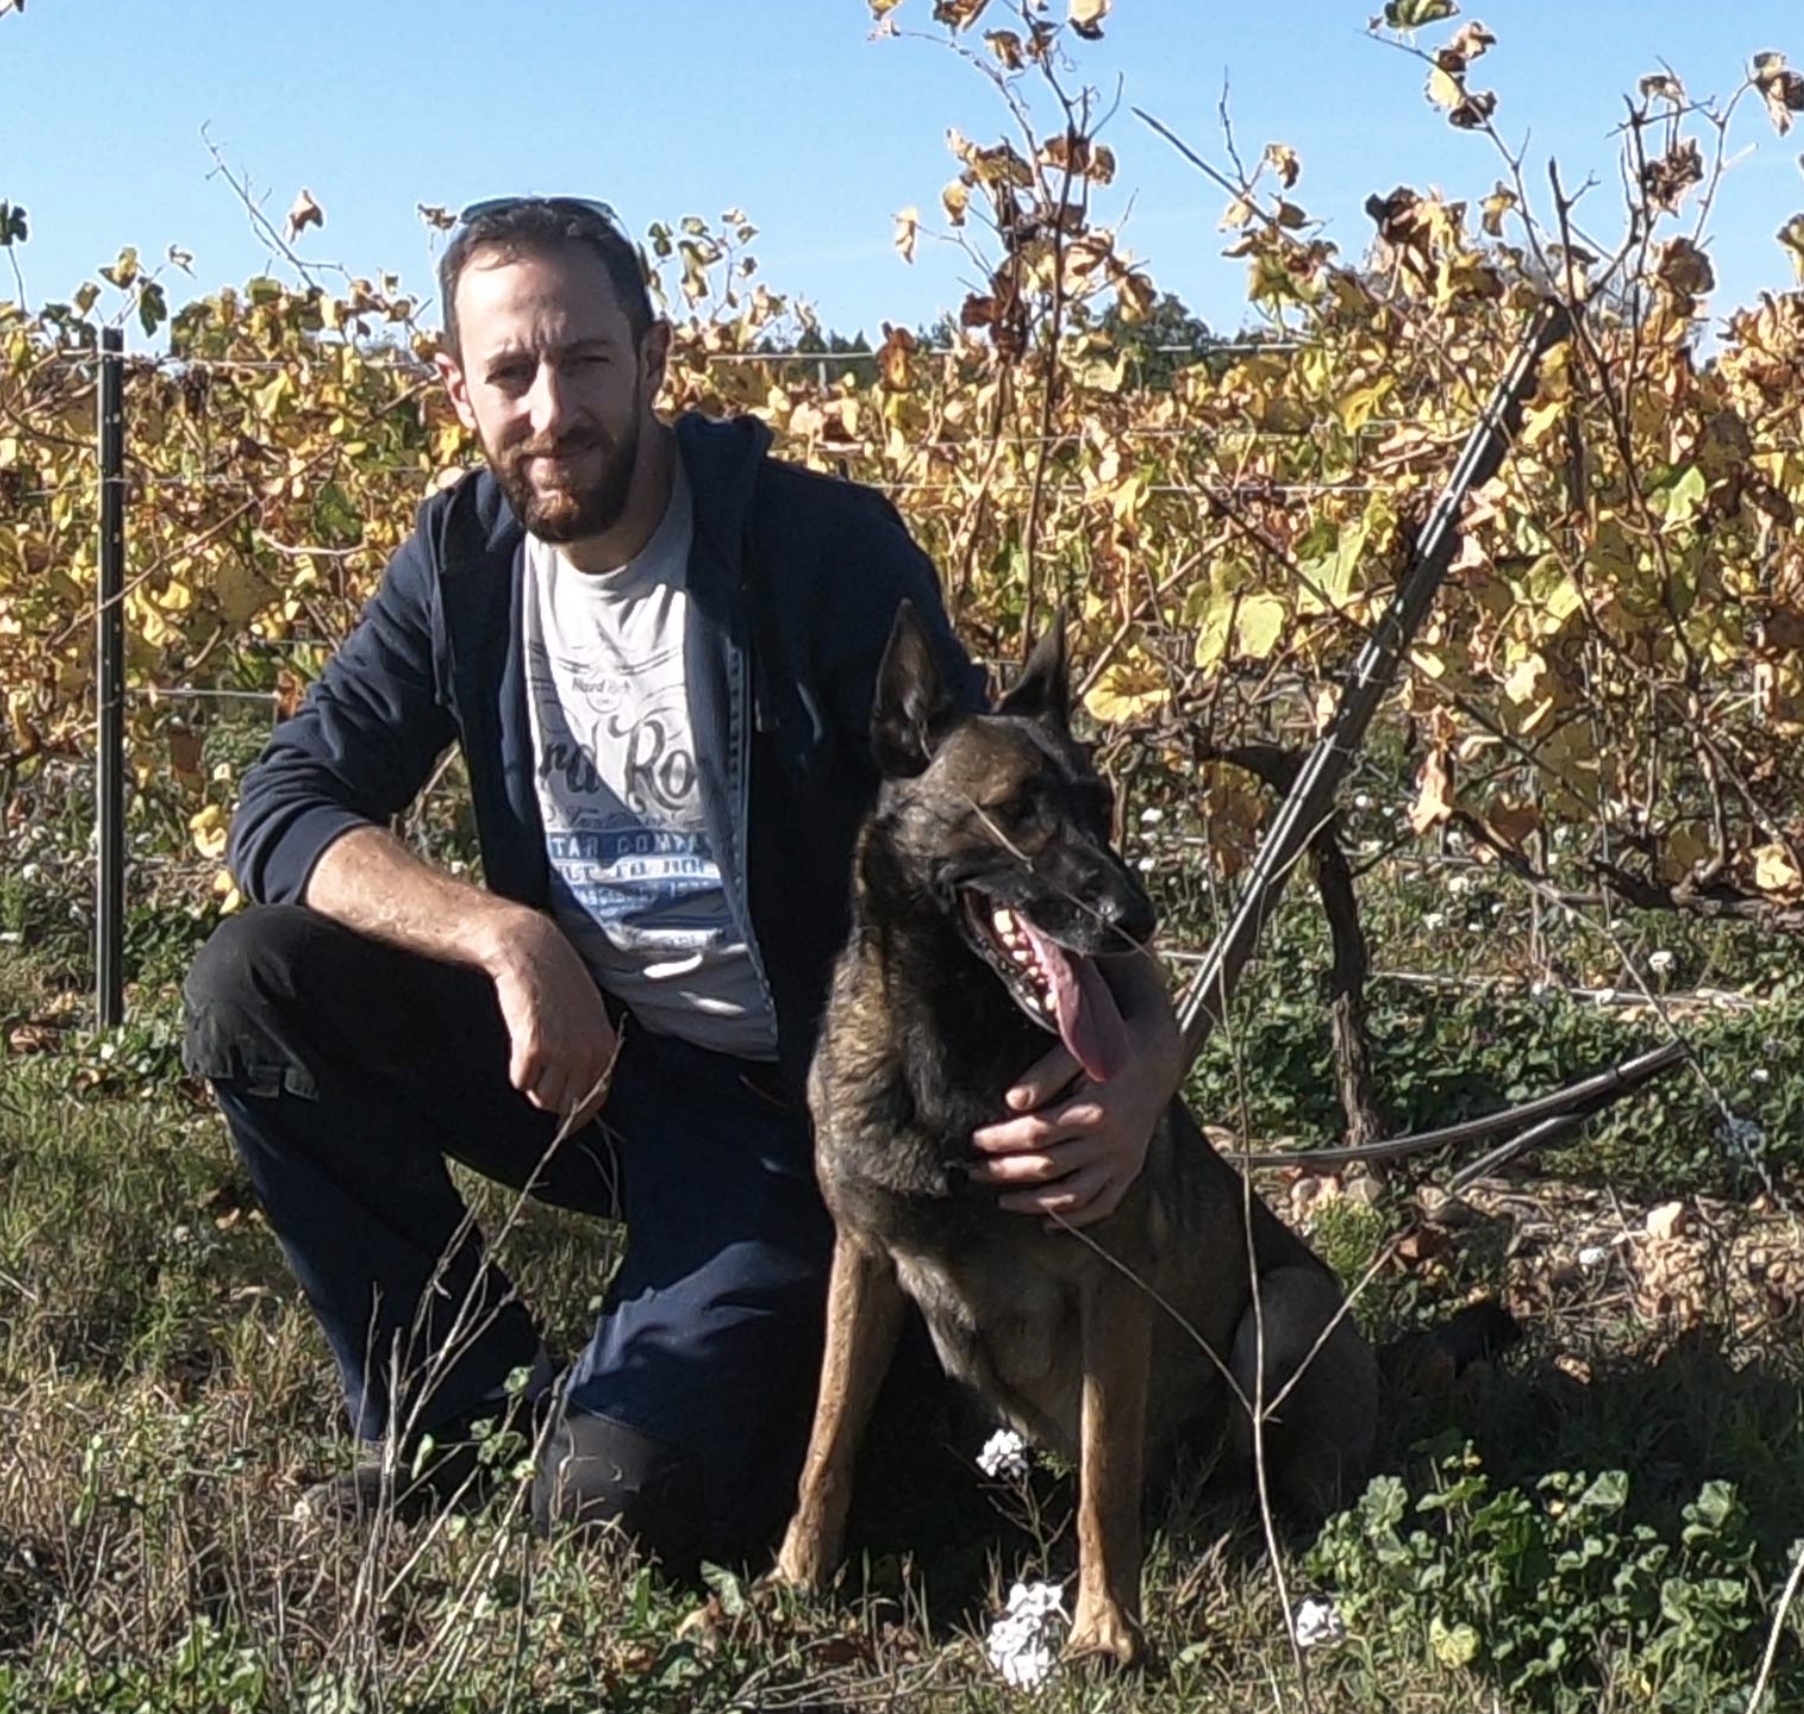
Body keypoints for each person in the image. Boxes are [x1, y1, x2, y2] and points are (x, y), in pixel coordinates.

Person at [182, 196, 1184, 1572]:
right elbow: (283, 803)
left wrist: (1144, 1058)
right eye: (511, 373)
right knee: (254, 985)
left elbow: (1003, 822)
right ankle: (458, 1423)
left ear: (654, 356)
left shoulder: (814, 551)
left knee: (618, 1506)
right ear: (456, 387)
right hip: (581, 1067)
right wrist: (505, 935)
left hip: (782, 1115)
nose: (551, 407)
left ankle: (788, 1398)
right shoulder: (458, 567)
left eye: (585, 360)